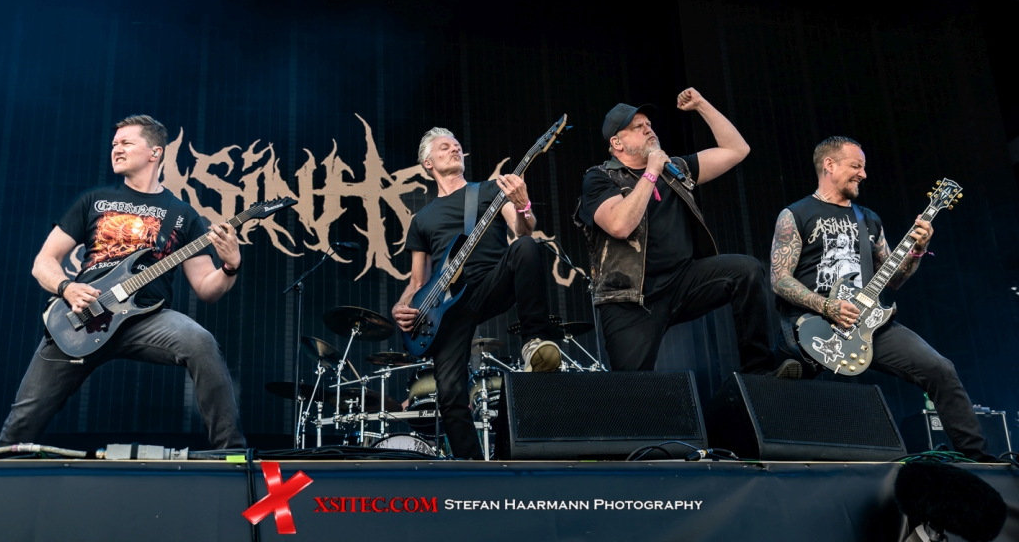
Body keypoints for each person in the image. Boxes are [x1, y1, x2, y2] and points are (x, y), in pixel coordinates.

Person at [0, 115, 246, 450]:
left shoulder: (182, 214)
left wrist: (230, 265)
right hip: (83, 317)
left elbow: (206, 288)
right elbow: (44, 262)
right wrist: (67, 287)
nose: (116, 149)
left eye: (126, 143)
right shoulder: (93, 199)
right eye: (115, 144)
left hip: (146, 318)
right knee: (23, 419)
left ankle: (231, 453)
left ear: (155, 152)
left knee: (200, 342)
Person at [770, 135, 991, 461]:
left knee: (940, 369)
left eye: (864, 167)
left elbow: (896, 278)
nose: (863, 174)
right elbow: (779, 279)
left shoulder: (869, 219)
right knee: (779, 387)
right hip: (815, 322)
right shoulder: (796, 214)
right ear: (829, 165)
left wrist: (917, 250)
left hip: (869, 322)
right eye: (856, 166)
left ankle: (980, 461)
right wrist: (827, 306)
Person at [575, 89, 790, 376]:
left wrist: (701, 105)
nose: (649, 130)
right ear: (617, 143)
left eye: (649, 124)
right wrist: (651, 172)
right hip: (631, 299)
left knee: (746, 271)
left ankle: (759, 371)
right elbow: (620, 225)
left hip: (683, 282)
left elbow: (737, 150)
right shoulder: (600, 177)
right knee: (633, 387)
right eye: (638, 127)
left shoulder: (675, 169)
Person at [392, 127, 560, 459]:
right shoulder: (421, 219)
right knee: (449, 393)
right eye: (444, 147)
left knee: (527, 247)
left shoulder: (489, 190)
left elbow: (523, 230)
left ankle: (534, 341)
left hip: (489, 283)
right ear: (428, 163)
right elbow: (417, 281)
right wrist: (402, 305)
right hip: (445, 308)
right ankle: (470, 466)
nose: (454, 149)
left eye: (457, 145)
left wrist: (524, 205)